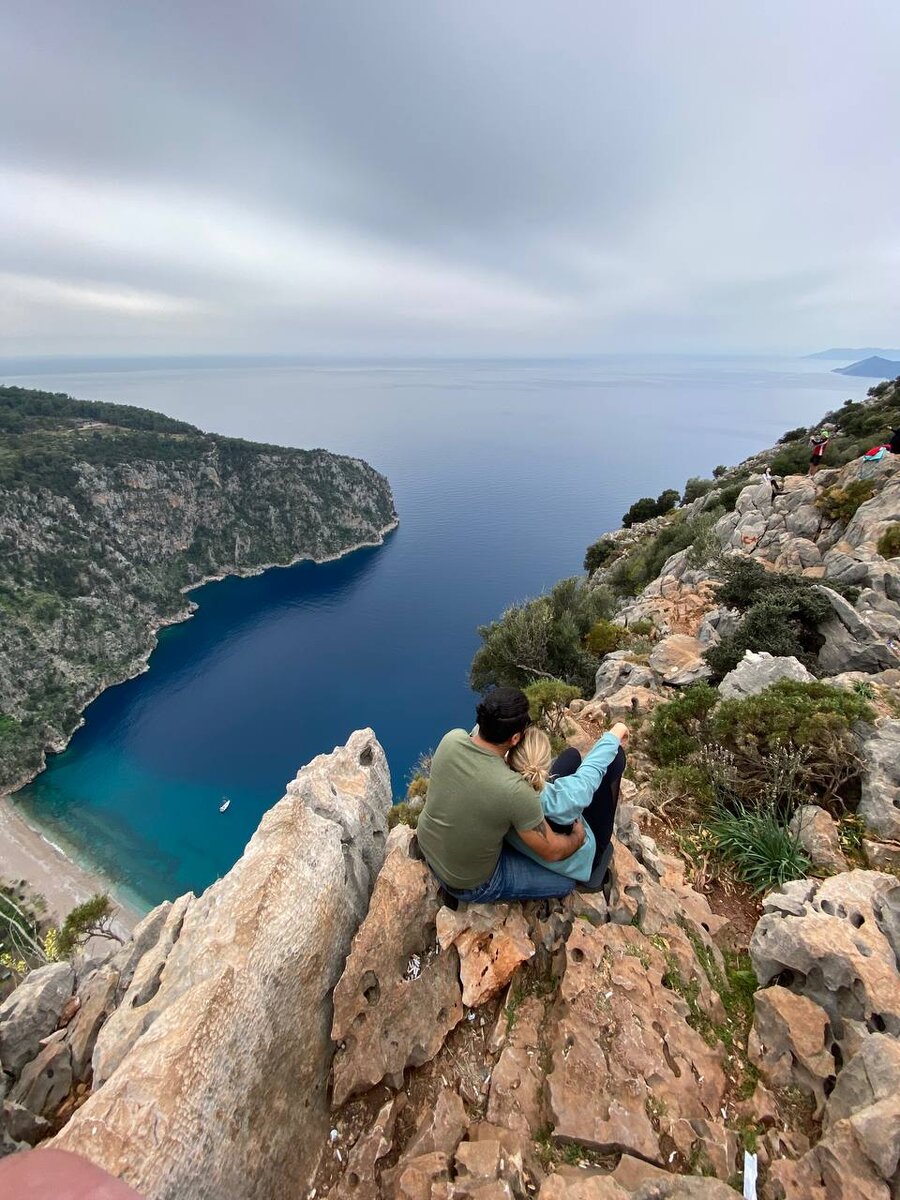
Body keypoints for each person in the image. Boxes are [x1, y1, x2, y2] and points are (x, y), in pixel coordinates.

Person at [415, 688, 586, 902]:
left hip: (428, 847)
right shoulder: (515, 790)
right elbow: (552, 851)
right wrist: (577, 838)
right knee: (566, 884)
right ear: (515, 738)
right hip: (468, 884)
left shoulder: (452, 739)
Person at [506, 722, 627, 889]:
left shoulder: (501, 791)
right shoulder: (569, 796)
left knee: (571, 755)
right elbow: (594, 767)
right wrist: (618, 729)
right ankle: (597, 860)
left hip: (527, 846)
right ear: (544, 764)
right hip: (582, 859)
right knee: (616, 756)